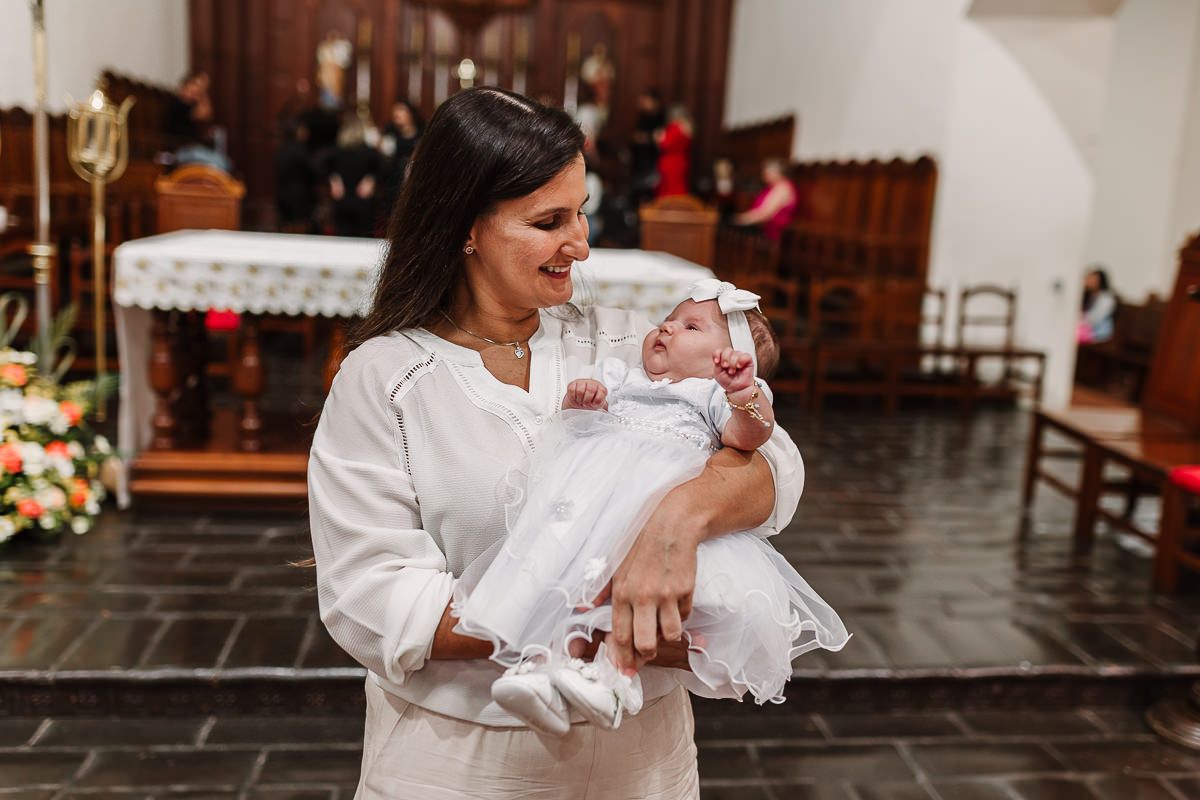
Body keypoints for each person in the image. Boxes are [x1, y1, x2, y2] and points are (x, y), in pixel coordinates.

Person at [308, 87, 805, 798]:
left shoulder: (635, 342)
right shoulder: (385, 376)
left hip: (642, 759)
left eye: (581, 212)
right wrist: (585, 612)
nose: (582, 244)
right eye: (549, 221)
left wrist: (676, 523)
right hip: (460, 759)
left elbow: (775, 461)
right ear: (464, 227)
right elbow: (369, 596)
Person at [453, 280, 849, 735]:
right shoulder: (624, 376)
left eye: (691, 327)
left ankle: (616, 678)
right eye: (669, 319)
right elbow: (579, 427)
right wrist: (583, 401)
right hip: (599, 503)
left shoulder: (712, 394)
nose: (667, 327)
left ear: (728, 359)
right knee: (575, 583)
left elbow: (749, 438)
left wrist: (743, 393)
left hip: (653, 505)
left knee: (627, 597)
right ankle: (546, 667)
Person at [324, 115, 383, 237]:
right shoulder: (368, 152)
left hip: (350, 200)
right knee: (363, 237)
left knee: (344, 237)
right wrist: (371, 179)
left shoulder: (335, 152)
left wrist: (334, 180)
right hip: (357, 201)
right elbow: (383, 168)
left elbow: (324, 168)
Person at [734, 158, 798, 242]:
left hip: (771, 231)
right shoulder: (773, 187)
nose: (764, 174)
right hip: (762, 226)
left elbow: (765, 214)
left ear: (777, 172)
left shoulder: (782, 188)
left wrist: (740, 220)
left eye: (767, 171)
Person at [378, 100, 423, 215]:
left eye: (401, 110)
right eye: (395, 110)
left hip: (415, 181)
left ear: (411, 113)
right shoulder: (389, 132)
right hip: (393, 180)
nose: (396, 113)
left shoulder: (422, 132)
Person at [656, 104, 693, 198]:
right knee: (679, 186)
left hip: (671, 162)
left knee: (670, 190)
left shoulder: (675, 127)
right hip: (681, 160)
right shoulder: (687, 127)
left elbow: (665, 144)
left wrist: (659, 138)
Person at [1078, 266, 1116, 343]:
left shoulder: (1106, 299)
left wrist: (1081, 320)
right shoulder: (1090, 295)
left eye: (1092, 279)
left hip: (1099, 331)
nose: (1088, 281)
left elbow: (1095, 318)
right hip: (1087, 327)